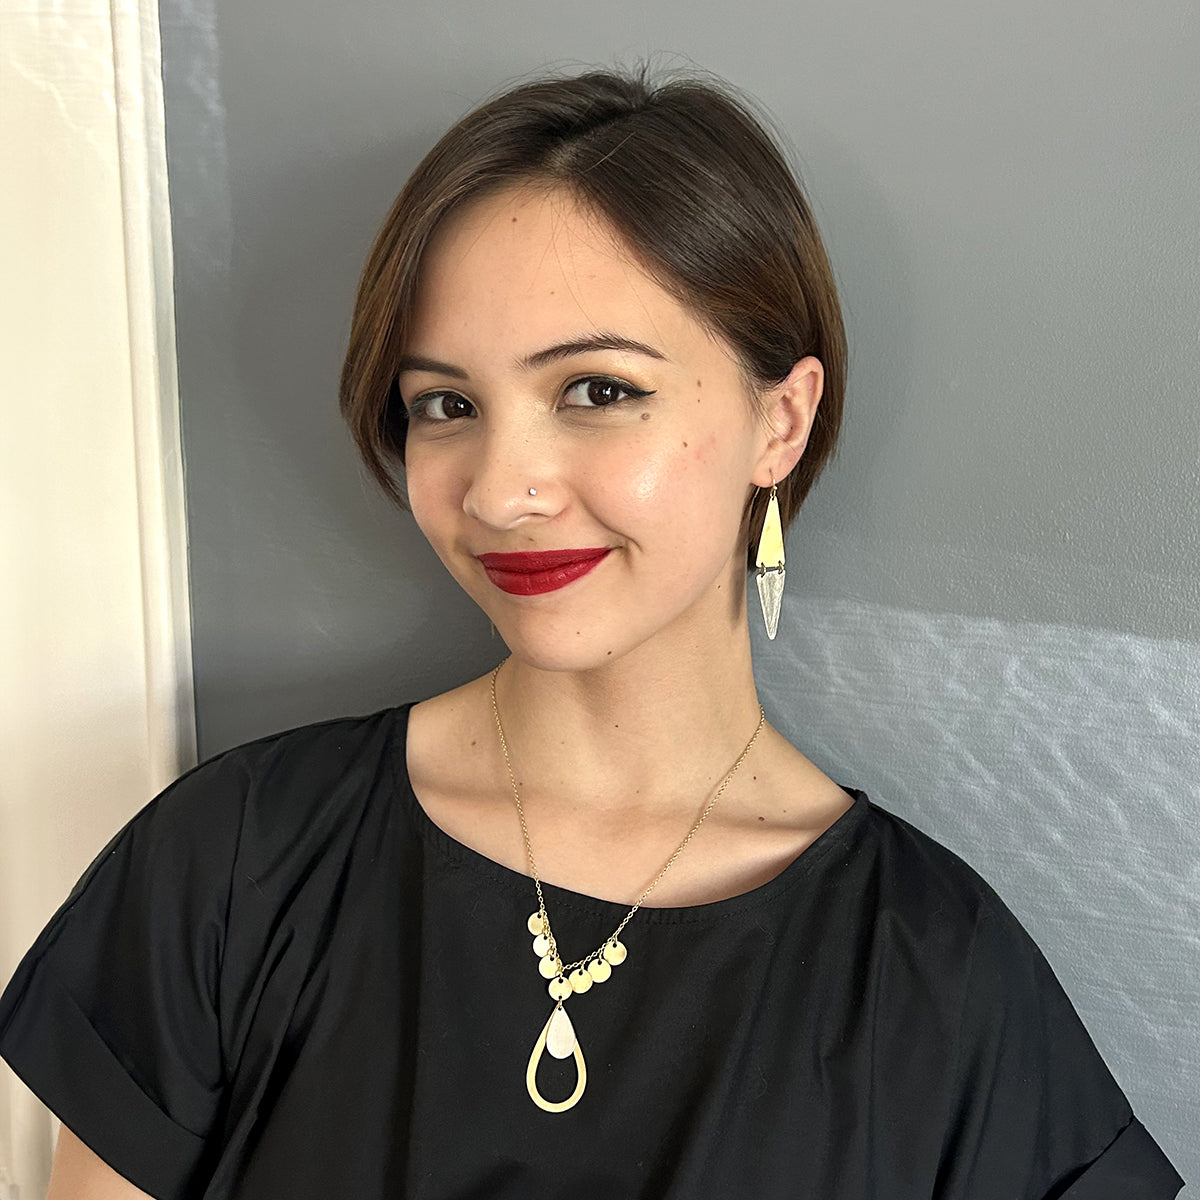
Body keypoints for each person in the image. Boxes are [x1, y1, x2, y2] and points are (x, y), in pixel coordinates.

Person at [0, 64, 1184, 1200]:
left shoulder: (938, 982)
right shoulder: (237, 862)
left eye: (597, 390)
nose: (502, 488)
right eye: (446, 406)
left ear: (782, 419)